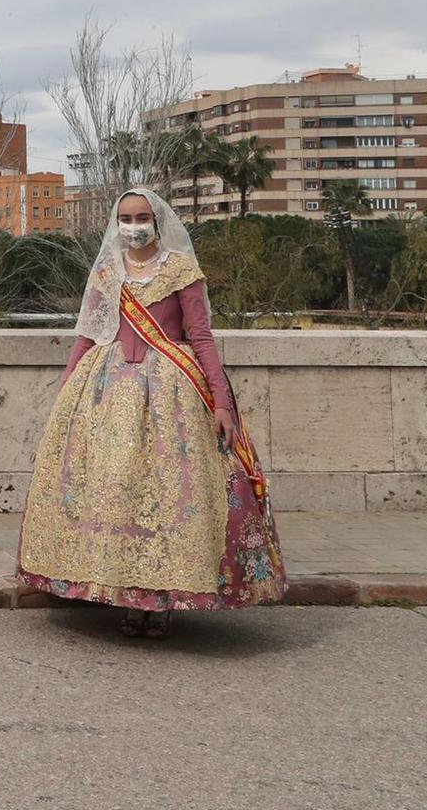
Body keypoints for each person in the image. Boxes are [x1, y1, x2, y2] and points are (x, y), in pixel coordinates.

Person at [16, 187, 286, 637]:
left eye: (142, 217)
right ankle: (125, 593)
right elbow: (87, 335)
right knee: (115, 495)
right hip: (105, 392)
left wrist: (221, 401)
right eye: (126, 217)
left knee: (168, 496)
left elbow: (201, 339)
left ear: (157, 220)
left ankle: (163, 603)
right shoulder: (106, 272)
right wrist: (66, 391)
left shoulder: (181, 271)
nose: (134, 225)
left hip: (171, 395)